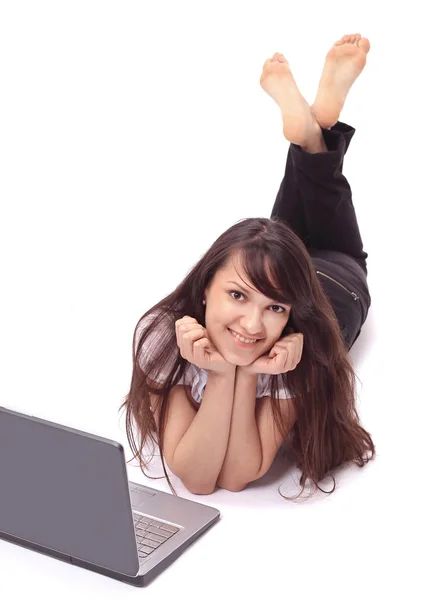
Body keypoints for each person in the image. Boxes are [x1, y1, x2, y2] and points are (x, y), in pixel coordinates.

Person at [121, 33, 376, 501]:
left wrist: (238, 369)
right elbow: (198, 477)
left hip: (318, 287)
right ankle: (314, 135)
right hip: (322, 276)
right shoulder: (165, 335)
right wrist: (225, 373)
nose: (254, 324)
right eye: (236, 296)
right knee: (290, 234)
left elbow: (238, 474)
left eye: (273, 309)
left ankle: (313, 136)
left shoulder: (300, 346)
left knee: (279, 234)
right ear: (205, 288)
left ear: (287, 313)